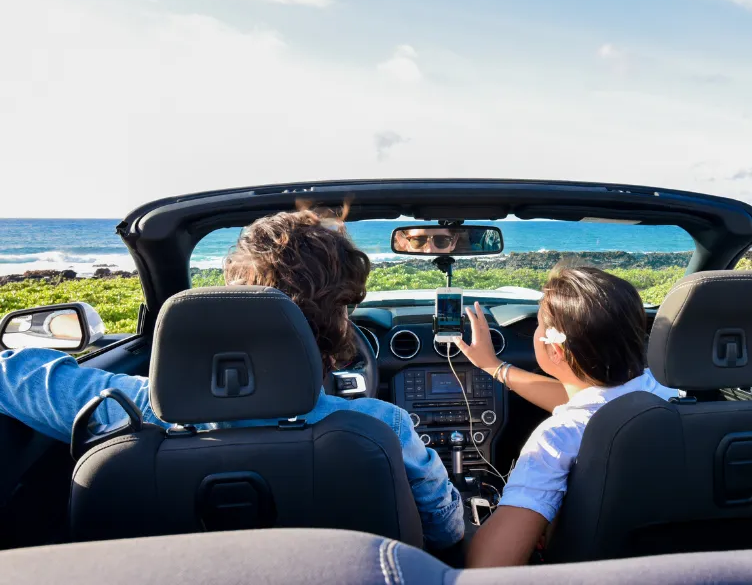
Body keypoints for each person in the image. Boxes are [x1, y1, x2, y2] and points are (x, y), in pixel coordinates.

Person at [0, 205, 464, 550]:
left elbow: (10, 375)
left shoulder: (123, 413)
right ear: (337, 317)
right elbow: (446, 531)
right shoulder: (383, 425)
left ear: (228, 302)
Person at [454, 265, 679, 568]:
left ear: (556, 351)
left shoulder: (556, 439)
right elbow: (594, 400)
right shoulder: (670, 393)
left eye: (537, 325)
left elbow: (487, 568)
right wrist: (494, 367)